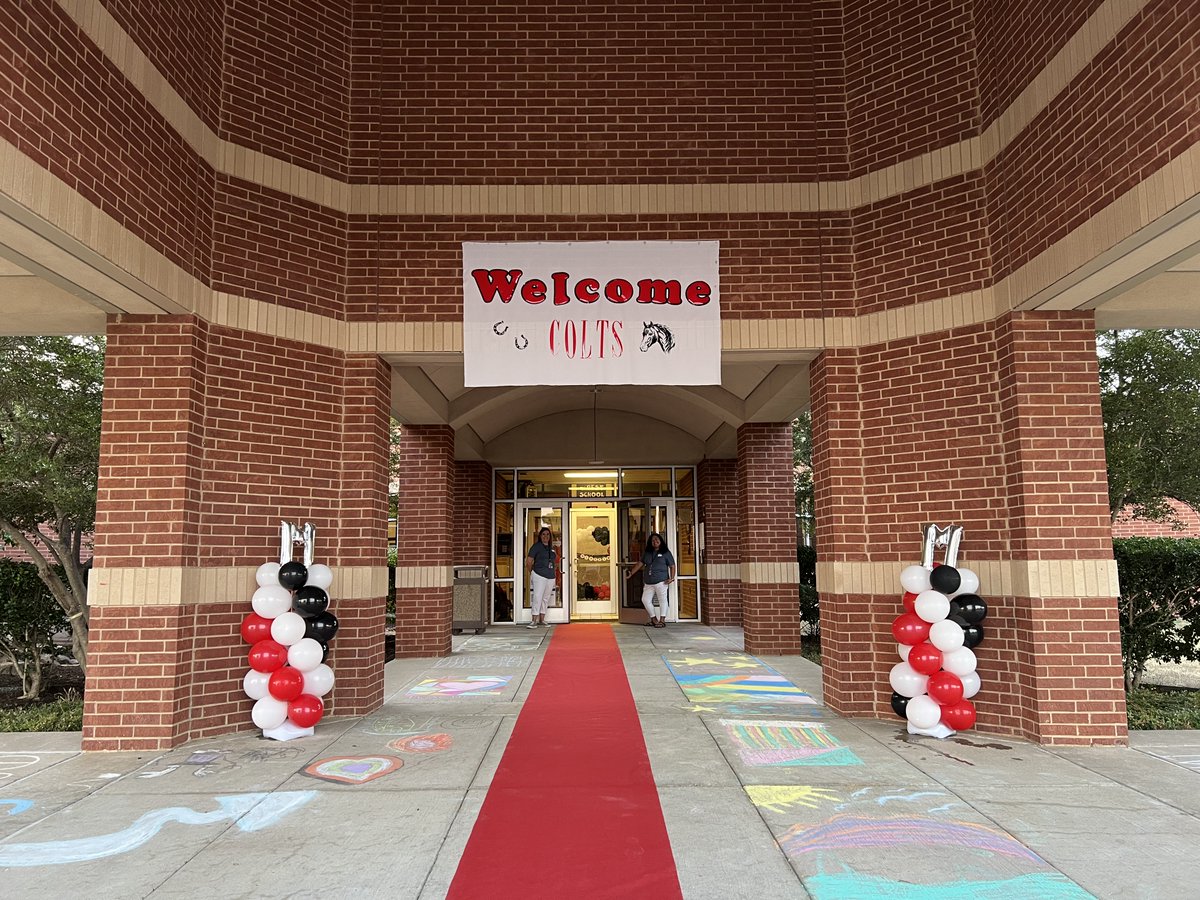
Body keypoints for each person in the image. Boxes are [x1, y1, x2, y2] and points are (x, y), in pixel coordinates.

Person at [624, 532, 675, 627]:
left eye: (656, 540)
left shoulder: (665, 552)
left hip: (661, 581)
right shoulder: (647, 553)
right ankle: (654, 619)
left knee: (662, 600)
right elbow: (640, 563)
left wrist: (671, 578)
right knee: (645, 600)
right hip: (648, 582)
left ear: (660, 541)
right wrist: (631, 573)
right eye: (652, 540)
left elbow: (672, 565)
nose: (655, 541)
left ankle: (662, 620)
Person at [525, 526, 557, 628]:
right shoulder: (536, 546)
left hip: (550, 576)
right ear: (540, 536)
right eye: (543, 534)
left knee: (545, 598)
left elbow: (554, 561)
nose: (546, 536)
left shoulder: (551, 548)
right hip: (539, 575)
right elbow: (529, 562)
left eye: (548, 534)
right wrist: (533, 573)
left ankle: (542, 619)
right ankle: (533, 620)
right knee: (537, 597)